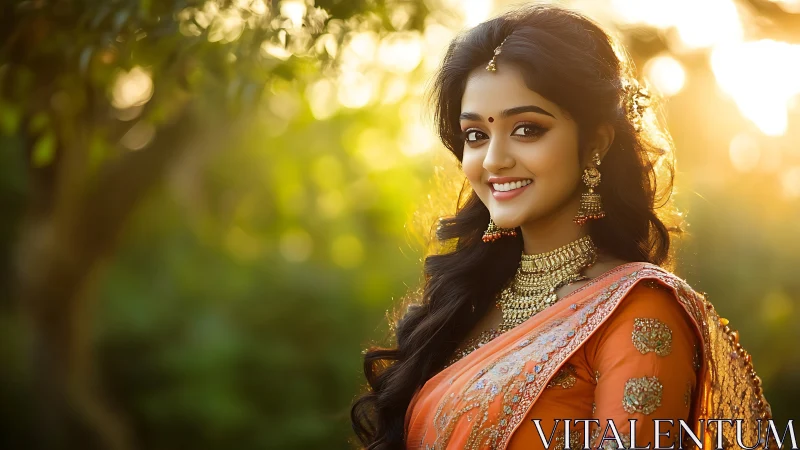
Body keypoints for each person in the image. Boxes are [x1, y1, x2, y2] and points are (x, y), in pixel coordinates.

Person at [350, 4, 774, 449]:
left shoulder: (638, 311)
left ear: (595, 143)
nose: (494, 159)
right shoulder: (467, 304)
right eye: (476, 135)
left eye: (527, 129)